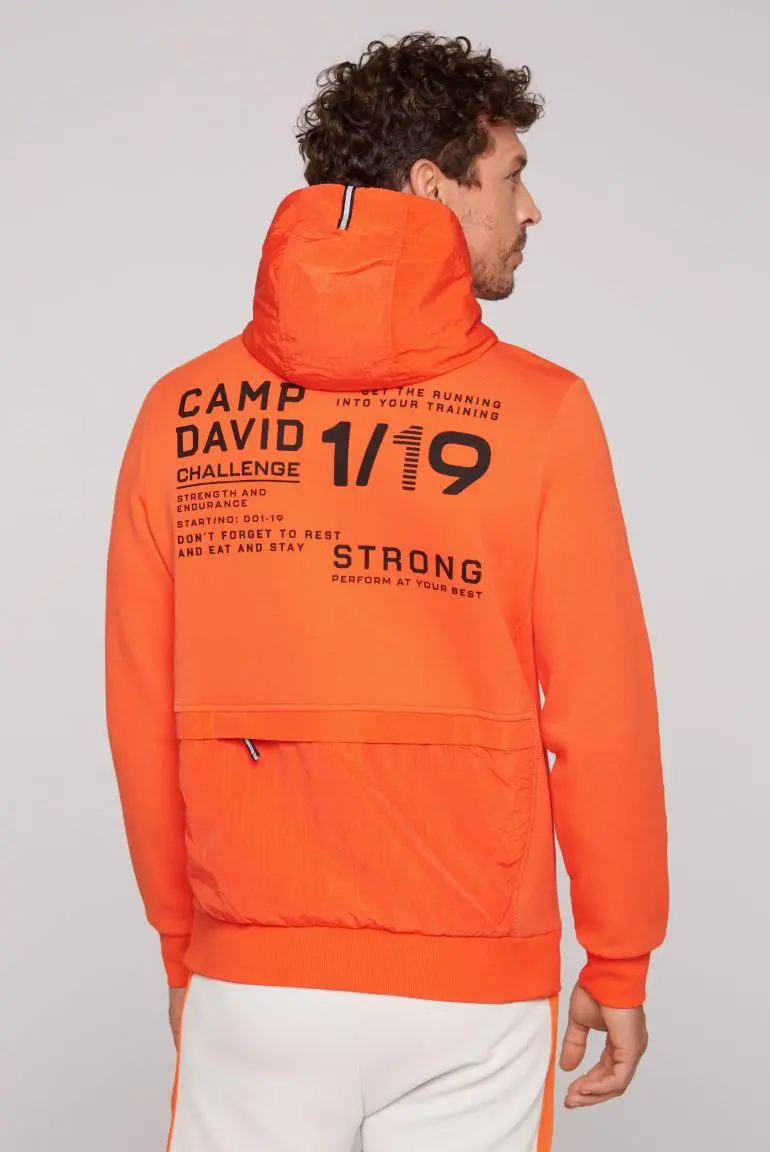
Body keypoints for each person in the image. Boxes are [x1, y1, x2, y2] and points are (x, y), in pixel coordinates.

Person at [106, 32, 668, 1152]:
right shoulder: (541, 412)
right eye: (510, 177)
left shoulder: (182, 411)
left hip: (253, 973)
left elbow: (139, 713)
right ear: (431, 185)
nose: (531, 210)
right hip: (471, 979)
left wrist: (183, 946)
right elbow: (601, 715)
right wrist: (617, 956)